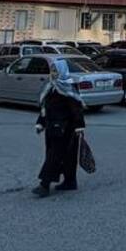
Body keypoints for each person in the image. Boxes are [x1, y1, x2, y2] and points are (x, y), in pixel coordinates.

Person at [33, 63, 86, 197]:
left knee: (54, 157)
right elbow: (46, 108)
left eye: (56, 71)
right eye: (52, 70)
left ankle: (44, 185)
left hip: (66, 129)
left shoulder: (68, 88)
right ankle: (70, 181)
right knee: (64, 157)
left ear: (62, 71)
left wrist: (79, 126)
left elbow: (76, 109)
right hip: (52, 128)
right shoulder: (51, 87)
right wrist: (40, 123)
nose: (53, 73)